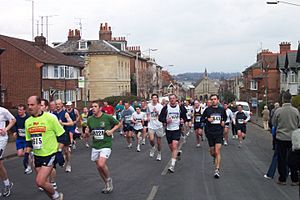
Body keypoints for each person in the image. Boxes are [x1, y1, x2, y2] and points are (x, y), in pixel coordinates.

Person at [24, 96, 65, 200]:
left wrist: (59, 152)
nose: (29, 107)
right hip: (37, 155)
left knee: (40, 181)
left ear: (39, 105)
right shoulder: (28, 122)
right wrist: (26, 155)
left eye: (32, 105)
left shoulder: (50, 118)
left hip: (50, 154)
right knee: (43, 184)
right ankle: (55, 198)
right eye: (28, 105)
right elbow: (29, 141)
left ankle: (57, 196)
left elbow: (62, 136)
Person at [85, 101, 120, 193]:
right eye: (92, 107)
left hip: (106, 144)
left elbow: (118, 124)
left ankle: (108, 179)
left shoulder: (107, 117)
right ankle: (106, 184)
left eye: (95, 106)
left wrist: (111, 131)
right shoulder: (90, 119)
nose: (93, 108)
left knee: (101, 164)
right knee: (99, 167)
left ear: (100, 108)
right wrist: (86, 133)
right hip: (96, 145)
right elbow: (88, 132)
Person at [272, 91, 300, 185]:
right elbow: (299, 123)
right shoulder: (296, 111)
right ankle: (295, 179)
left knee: (282, 159)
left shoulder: (278, 111)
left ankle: (282, 179)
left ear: (283, 99)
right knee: (294, 159)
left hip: (281, 137)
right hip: (293, 138)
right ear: (291, 99)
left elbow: (274, 123)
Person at [159, 94, 187, 173]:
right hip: (168, 130)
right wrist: (165, 120)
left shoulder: (180, 108)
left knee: (174, 146)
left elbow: (185, 117)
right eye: (170, 98)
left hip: (177, 129)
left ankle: (172, 165)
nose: (172, 100)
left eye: (173, 98)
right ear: (169, 100)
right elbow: (160, 118)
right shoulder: (166, 108)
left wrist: (183, 120)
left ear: (176, 99)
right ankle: (177, 153)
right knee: (172, 147)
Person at [200, 94, 227, 178]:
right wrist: (207, 119)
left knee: (217, 151)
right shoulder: (207, 110)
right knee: (212, 152)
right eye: (212, 99)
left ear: (218, 100)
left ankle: (217, 170)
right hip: (210, 133)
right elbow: (202, 119)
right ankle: (214, 158)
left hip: (219, 132)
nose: (213, 101)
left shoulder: (222, 110)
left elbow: (224, 118)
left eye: (215, 99)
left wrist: (223, 122)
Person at [41, 99, 59, 190]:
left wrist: (59, 148)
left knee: (51, 167)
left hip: (51, 147)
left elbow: (59, 132)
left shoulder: (52, 117)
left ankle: (52, 182)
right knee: (40, 167)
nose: (39, 107)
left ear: (46, 107)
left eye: (42, 105)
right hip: (39, 147)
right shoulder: (34, 118)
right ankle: (44, 182)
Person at [53, 99, 74, 173]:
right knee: (57, 150)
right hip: (56, 135)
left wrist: (63, 123)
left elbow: (71, 123)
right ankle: (60, 161)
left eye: (59, 104)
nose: (57, 105)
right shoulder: (53, 113)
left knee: (66, 151)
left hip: (64, 134)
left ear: (62, 105)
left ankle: (68, 164)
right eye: (56, 104)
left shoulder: (65, 113)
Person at [0, 105, 16, 197]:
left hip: (1, 139)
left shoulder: (3, 111)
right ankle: (7, 184)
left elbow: (13, 120)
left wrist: (6, 129)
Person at [13, 104, 32, 174]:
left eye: (21, 110)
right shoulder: (16, 118)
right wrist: (15, 131)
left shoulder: (28, 118)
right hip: (19, 138)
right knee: (20, 154)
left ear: (24, 110)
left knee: (26, 152)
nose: (19, 111)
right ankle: (30, 154)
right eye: (18, 109)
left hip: (26, 139)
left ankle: (29, 167)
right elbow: (13, 125)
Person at [147, 94, 164, 161]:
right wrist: (148, 117)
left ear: (157, 99)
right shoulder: (149, 106)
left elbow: (162, 116)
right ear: (151, 99)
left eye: (155, 98)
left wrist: (157, 112)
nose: (154, 99)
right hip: (151, 125)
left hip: (159, 125)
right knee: (151, 139)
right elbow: (148, 113)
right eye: (153, 98)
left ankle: (159, 153)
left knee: (159, 142)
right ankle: (153, 147)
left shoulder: (160, 106)